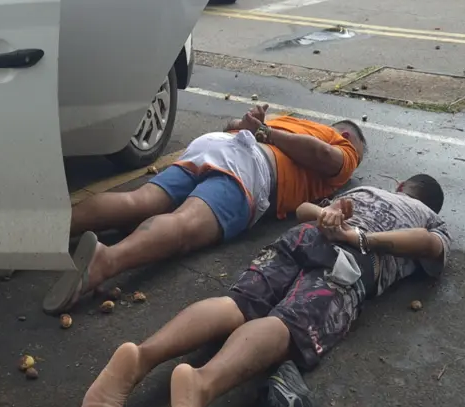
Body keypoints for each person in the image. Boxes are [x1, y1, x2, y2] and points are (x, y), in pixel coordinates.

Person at [76, 175, 451, 407]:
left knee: (237, 304)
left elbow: (305, 211)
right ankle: (202, 384)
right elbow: (429, 244)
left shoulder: (365, 190)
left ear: (400, 186)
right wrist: (358, 237)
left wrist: (329, 215)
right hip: (353, 259)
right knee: (286, 324)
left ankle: (142, 357)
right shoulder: (428, 215)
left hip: (305, 236)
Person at [42, 104, 367, 314]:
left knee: (138, 201)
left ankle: (42, 234)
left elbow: (233, 124)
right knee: (184, 224)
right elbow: (328, 158)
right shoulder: (344, 144)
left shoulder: (290, 120)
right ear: (348, 135)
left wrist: (256, 127)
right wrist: (267, 133)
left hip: (213, 145)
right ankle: (106, 260)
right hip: (251, 168)